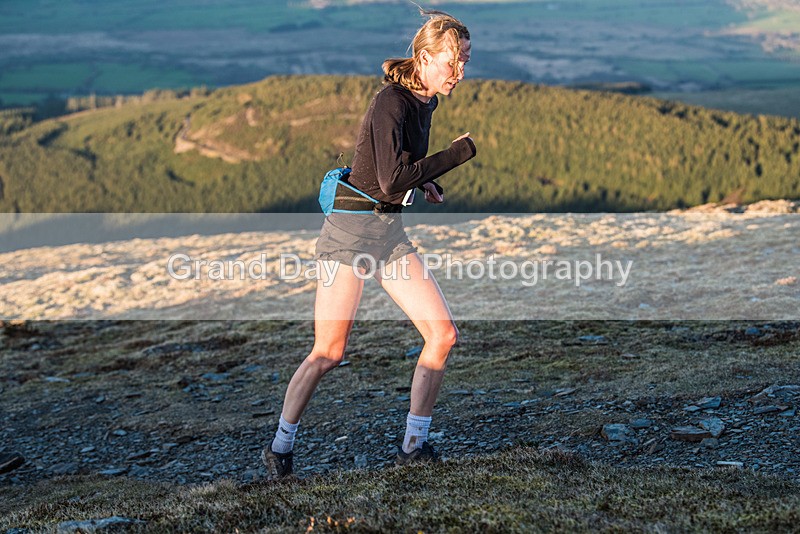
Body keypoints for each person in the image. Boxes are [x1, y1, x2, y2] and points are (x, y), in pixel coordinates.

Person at [262, 8, 475, 479]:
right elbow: (389, 176)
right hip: (350, 236)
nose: (459, 71)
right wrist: (455, 155)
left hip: (388, 233)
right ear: (424, 57)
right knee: (329, 352)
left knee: (443, 335)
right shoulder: (391, 103)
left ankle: (413, 448)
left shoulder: (425, 104)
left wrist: (424, 185)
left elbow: (398, 170)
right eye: (452, 61)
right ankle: (279, 447)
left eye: (464, 60)